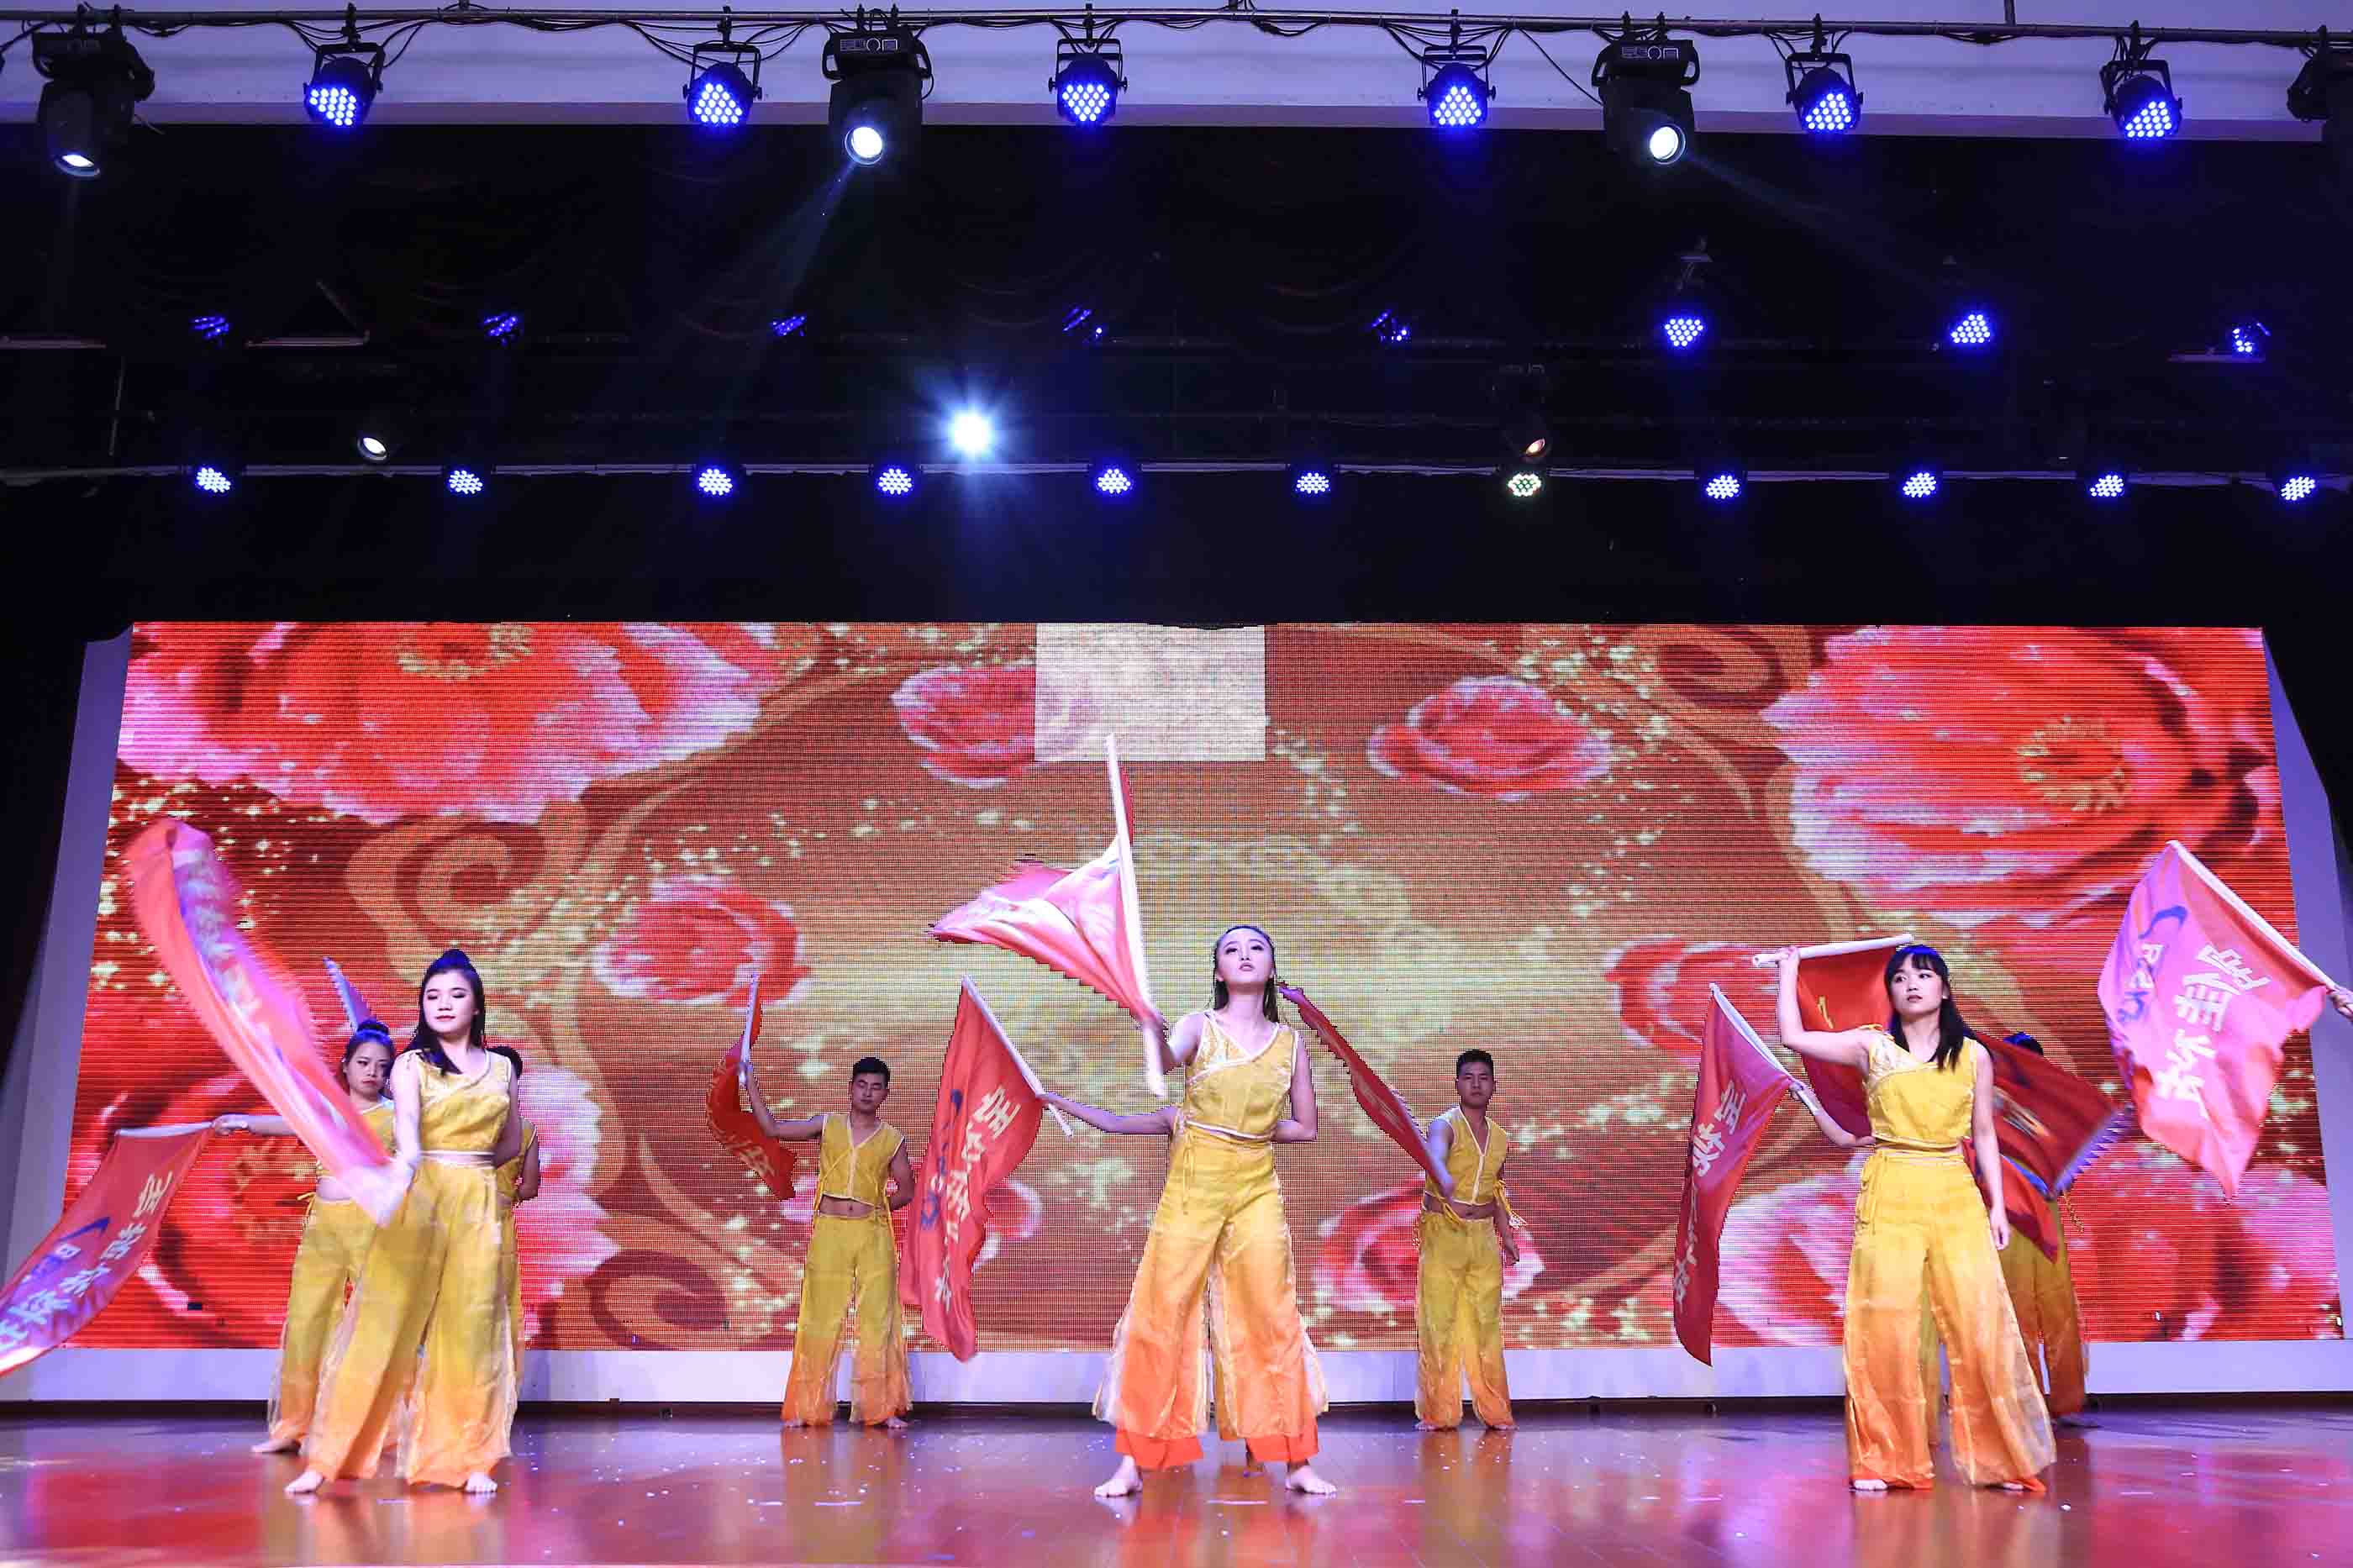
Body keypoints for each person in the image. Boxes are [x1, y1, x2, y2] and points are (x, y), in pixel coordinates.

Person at [1766, 942, 2054, 1492]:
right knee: (1885, 1325)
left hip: (1953, 1189)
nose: (1912, 984)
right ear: (1890, 994)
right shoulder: (1871, 1046)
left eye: (1924, 975)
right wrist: (1790, 970)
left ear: (1944, 989)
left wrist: (1996, 1204)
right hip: (1891, 1184)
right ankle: (1884, 1460)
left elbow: (1985, 1134)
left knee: (1980, 1322)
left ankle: (2005, 1459)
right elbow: (1793, 1037)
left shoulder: (1974, 1057)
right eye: (1900, 978)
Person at [1086, 923, 1334, 1498]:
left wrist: (1250, 1131)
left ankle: (1295, 1462)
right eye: (1232, 949)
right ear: (1219, 971)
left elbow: (1306, 1127)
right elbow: (1164, 1066)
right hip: (1193, 1184)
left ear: (1271, 968)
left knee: (1272, 1314)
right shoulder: (1198, 1025)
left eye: (1256, 948)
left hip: (1255, 1187)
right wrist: (1150, 1027)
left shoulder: (1291, 1043)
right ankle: (1133, 1463)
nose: (1245, 955)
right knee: (1164, 1309)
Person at [287, 950, 520, 1496]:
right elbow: (408, 1137)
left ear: (477, 1005)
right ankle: (327, 1458)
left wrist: (473, 1170)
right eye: (432, 995)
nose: (443, 1004)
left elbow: (510, 1142)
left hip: (477, 1203)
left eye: (456, 995)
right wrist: (402, 1177)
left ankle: (469, 1458)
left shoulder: (502, 1069)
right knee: (379, 1322)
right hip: (421, 1195)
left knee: (470, 1329)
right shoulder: (411, 1065)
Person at [214, 1022, 399, 1455]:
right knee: (306, 1320)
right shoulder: (328, 1111)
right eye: (364, 1063)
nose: (372, 1072)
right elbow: (292, 1122)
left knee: (376, 1321)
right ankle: (295, 1426)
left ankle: (382, 1428)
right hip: (323, 1226)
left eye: (381, 1066)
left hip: (374, 1225)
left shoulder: (396, 1115)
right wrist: (243, 1122)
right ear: (346, 1066)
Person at [747, 1056, 916, 1431]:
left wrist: (876, 1208)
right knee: (820, 1317)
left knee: (877, 1320)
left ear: (885, 1094)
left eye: (876, 1087)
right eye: (862, 1085)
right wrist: (750, 1083)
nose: (868, 1093)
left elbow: (907, 1190)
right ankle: (808, 1408)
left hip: (873, 1234)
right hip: (830, 1232)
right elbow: (771, 1128)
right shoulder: (828, 1125)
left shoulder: (892, 1139)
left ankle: (881, 1409)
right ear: (850, 1088)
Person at [1414, 1049, 1521, 1432]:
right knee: (1439, 1321)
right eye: (1468, 1078)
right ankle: (1438, 1412)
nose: (1476, 1085)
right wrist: (1442, 1175)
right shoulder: (1444, 1126)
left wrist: (1507, 1235)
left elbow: (1497, 1191)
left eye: (1483, 1078)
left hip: (1483, 1236)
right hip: (1445, 1231)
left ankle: (1496, 1411)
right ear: (1457, 1083)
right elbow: (1436, 1156)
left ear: (1493, 1085)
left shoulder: (1500, 1137)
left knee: (1486, 1323)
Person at [1987, 1032, 2089, 1425]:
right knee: (2017, 1309)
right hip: (2010, 1217)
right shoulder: (1989, 1108)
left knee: (2058, 1305)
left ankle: (2068, 1402)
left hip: (2045, 1215)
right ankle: (2026, 1401)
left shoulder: (2052, 1115)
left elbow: (2067, 1175)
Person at [491, 1045, 542, 1407]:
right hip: (498, 1223)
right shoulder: (524, 1130)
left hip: (462, 1219)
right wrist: (507, 1193)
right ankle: (498, 1397)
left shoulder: (465, 1122)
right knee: (499, 1307)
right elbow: (530, 1187)